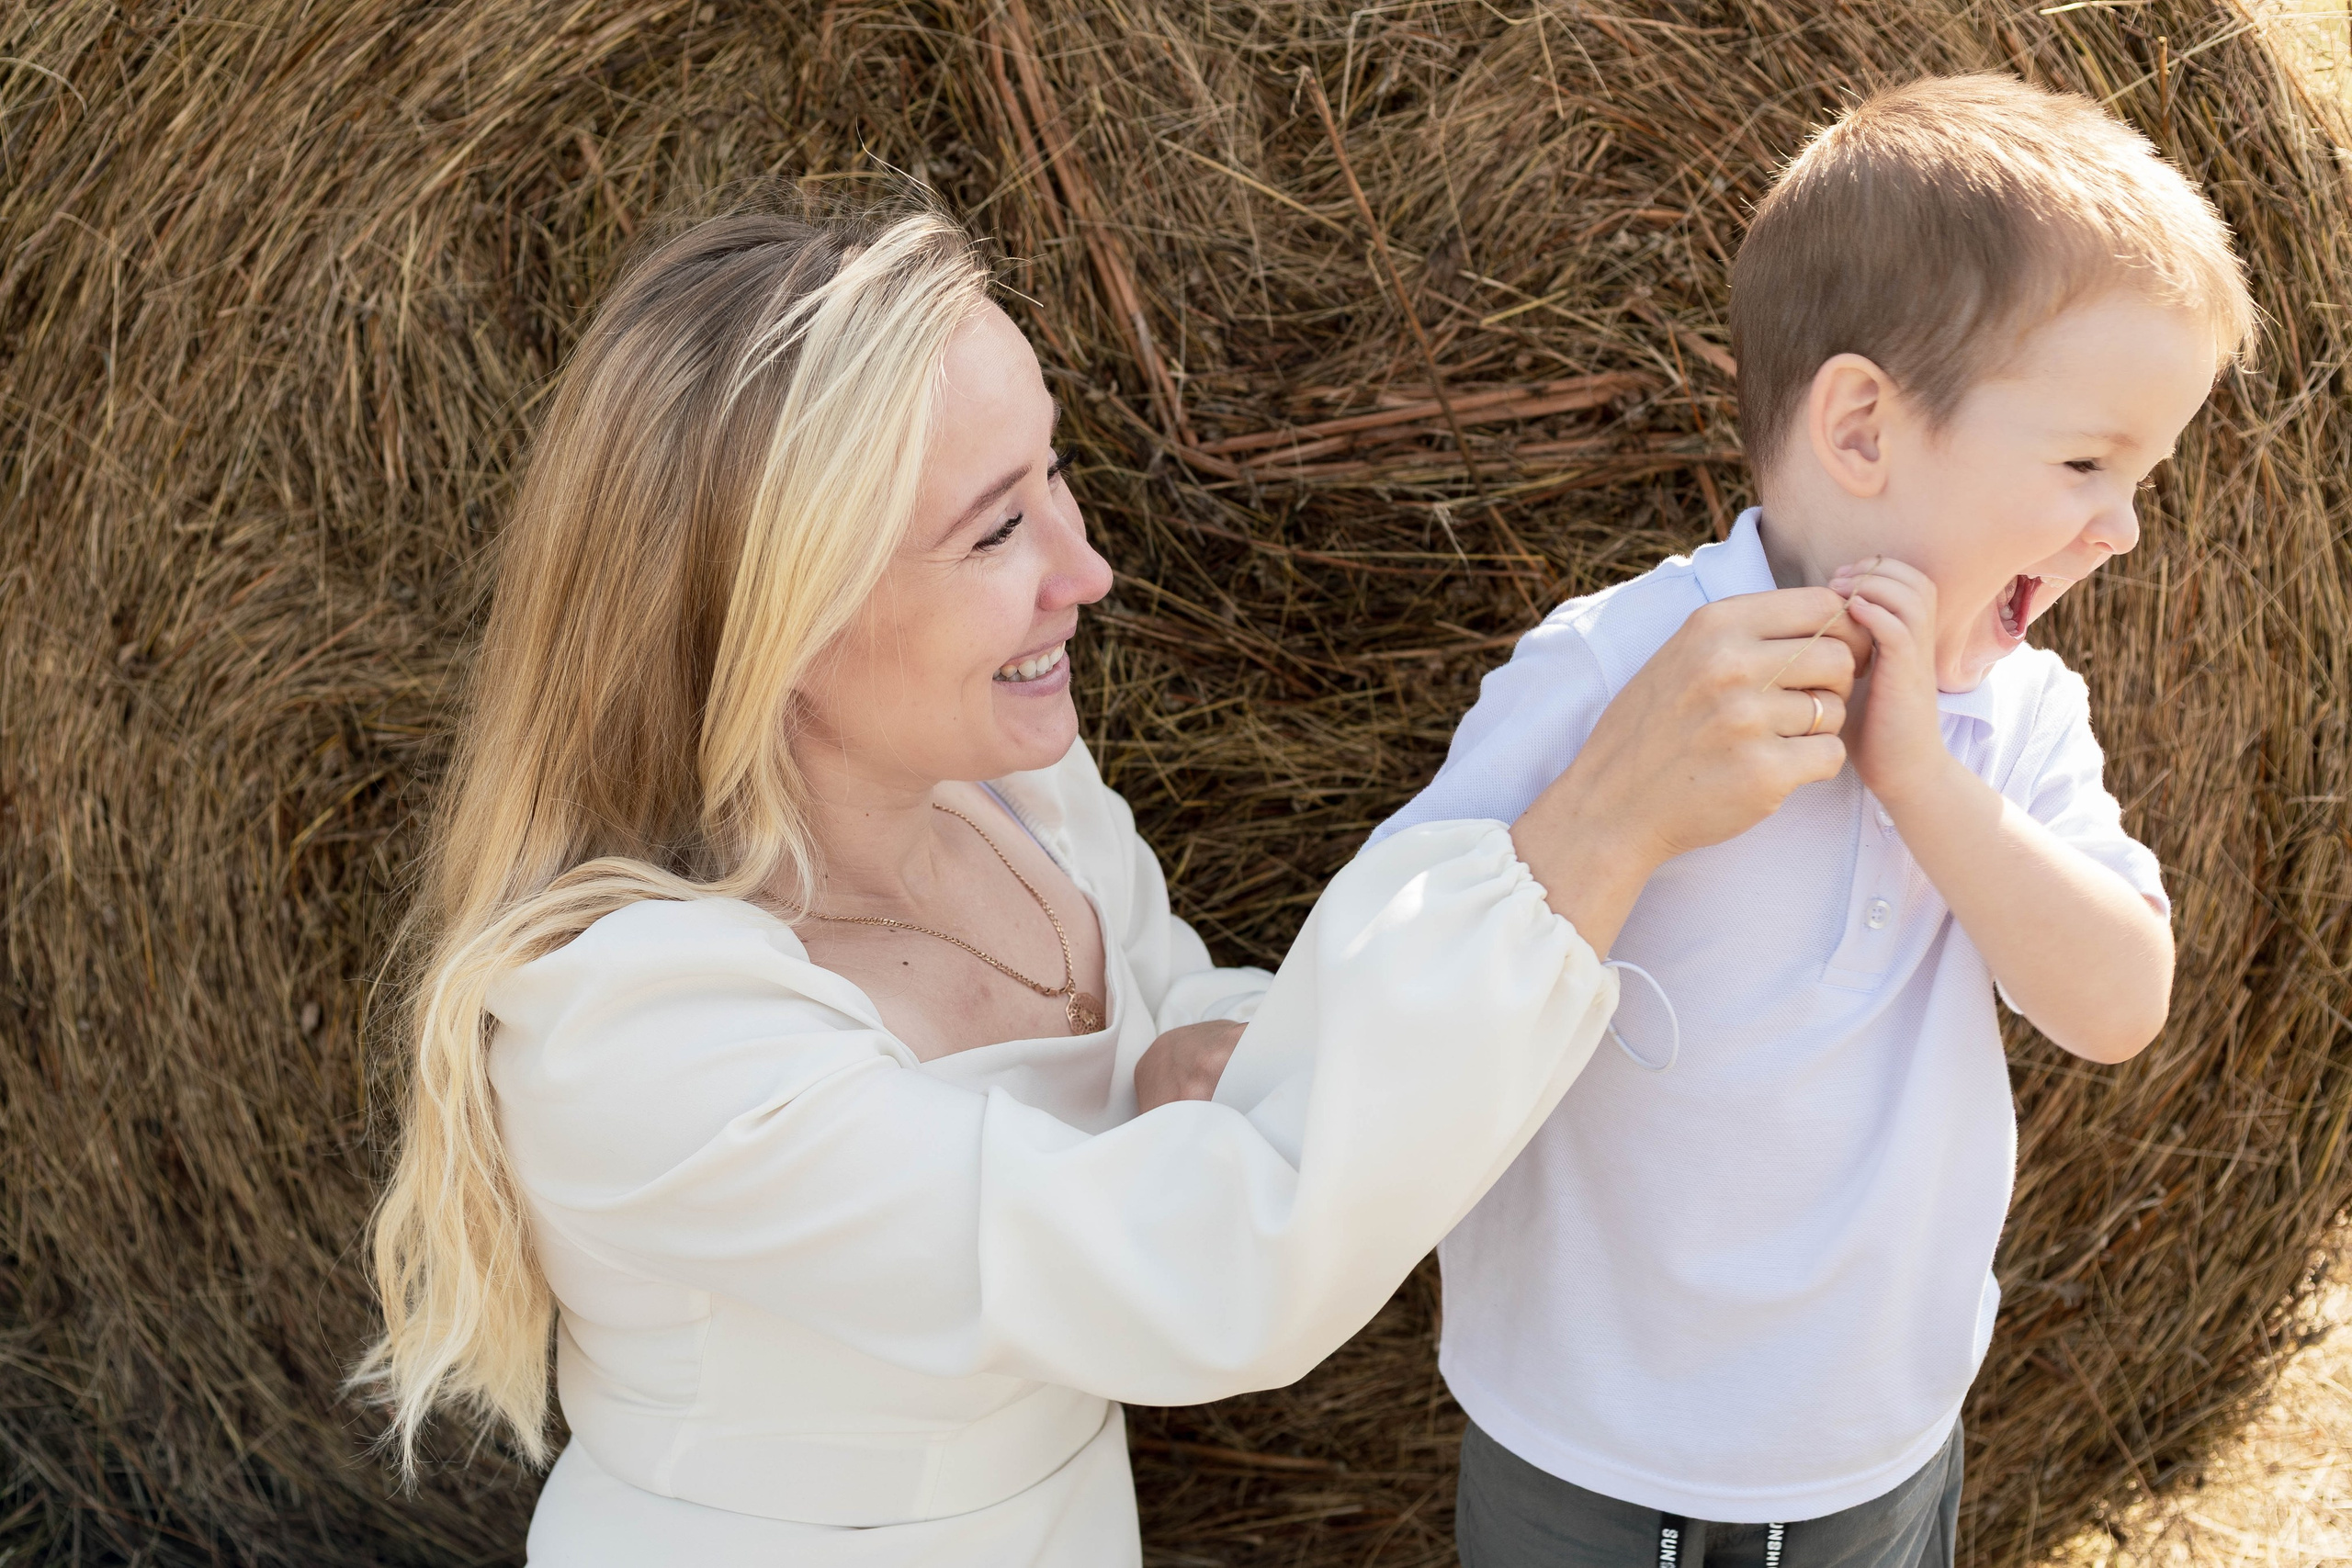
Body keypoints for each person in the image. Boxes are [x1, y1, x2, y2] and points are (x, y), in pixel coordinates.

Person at [353, 204, 1865, 1565]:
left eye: (1053, 473)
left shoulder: (1020, 793)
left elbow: (1175, 1003)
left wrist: (1207, 1053)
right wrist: (1592, 839)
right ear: (782, 617)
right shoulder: (640, 1037)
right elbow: (1216, 1268)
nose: (1087, 568)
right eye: (998, 526)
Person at [1373, 75, 2255, 1567]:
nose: (2122, 527)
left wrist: (1925, 776)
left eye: (2144, 476)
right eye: (2088, 463)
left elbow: (2119, 1004)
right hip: (1583, 1439)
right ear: (1862, 427)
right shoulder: (1611, 671)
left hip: (1870, 1442)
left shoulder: (2019, 719)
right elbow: (1402, 955)